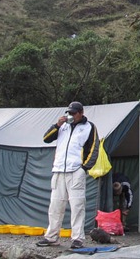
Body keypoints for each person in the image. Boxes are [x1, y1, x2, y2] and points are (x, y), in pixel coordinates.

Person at [37, 101, 100, 249]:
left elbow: (94, 149)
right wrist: (57, 125)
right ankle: (52, 237)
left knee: (77, 206)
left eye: (73, 113)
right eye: (69, 113)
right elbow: (46, 139)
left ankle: (77, 238)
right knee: (55, 206)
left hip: (75, 171)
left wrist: (84, 168)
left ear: (81, 113)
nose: (70, 115)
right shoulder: (63, 126)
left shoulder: (89, 127)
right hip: (59, 170)